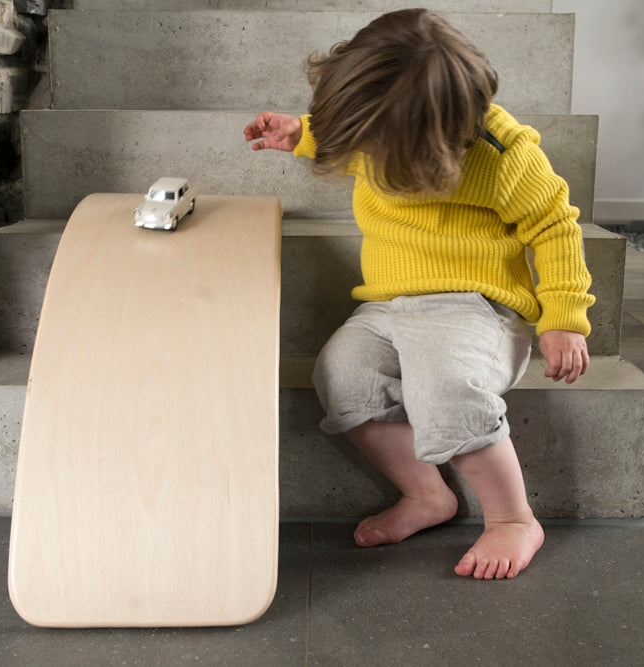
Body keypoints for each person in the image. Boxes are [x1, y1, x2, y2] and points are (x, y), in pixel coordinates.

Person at [243, 9, 594, 580]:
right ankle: (427, 494)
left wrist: (564, 317)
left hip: (477, 306)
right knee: (341, 376)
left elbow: (556, 227)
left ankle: (513, 517)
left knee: (445, 386)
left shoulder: (502, 155)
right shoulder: (374, 127)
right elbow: (352, 130)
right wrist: (303, 134)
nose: (365, 159)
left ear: (441, 139)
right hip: (388, 304)